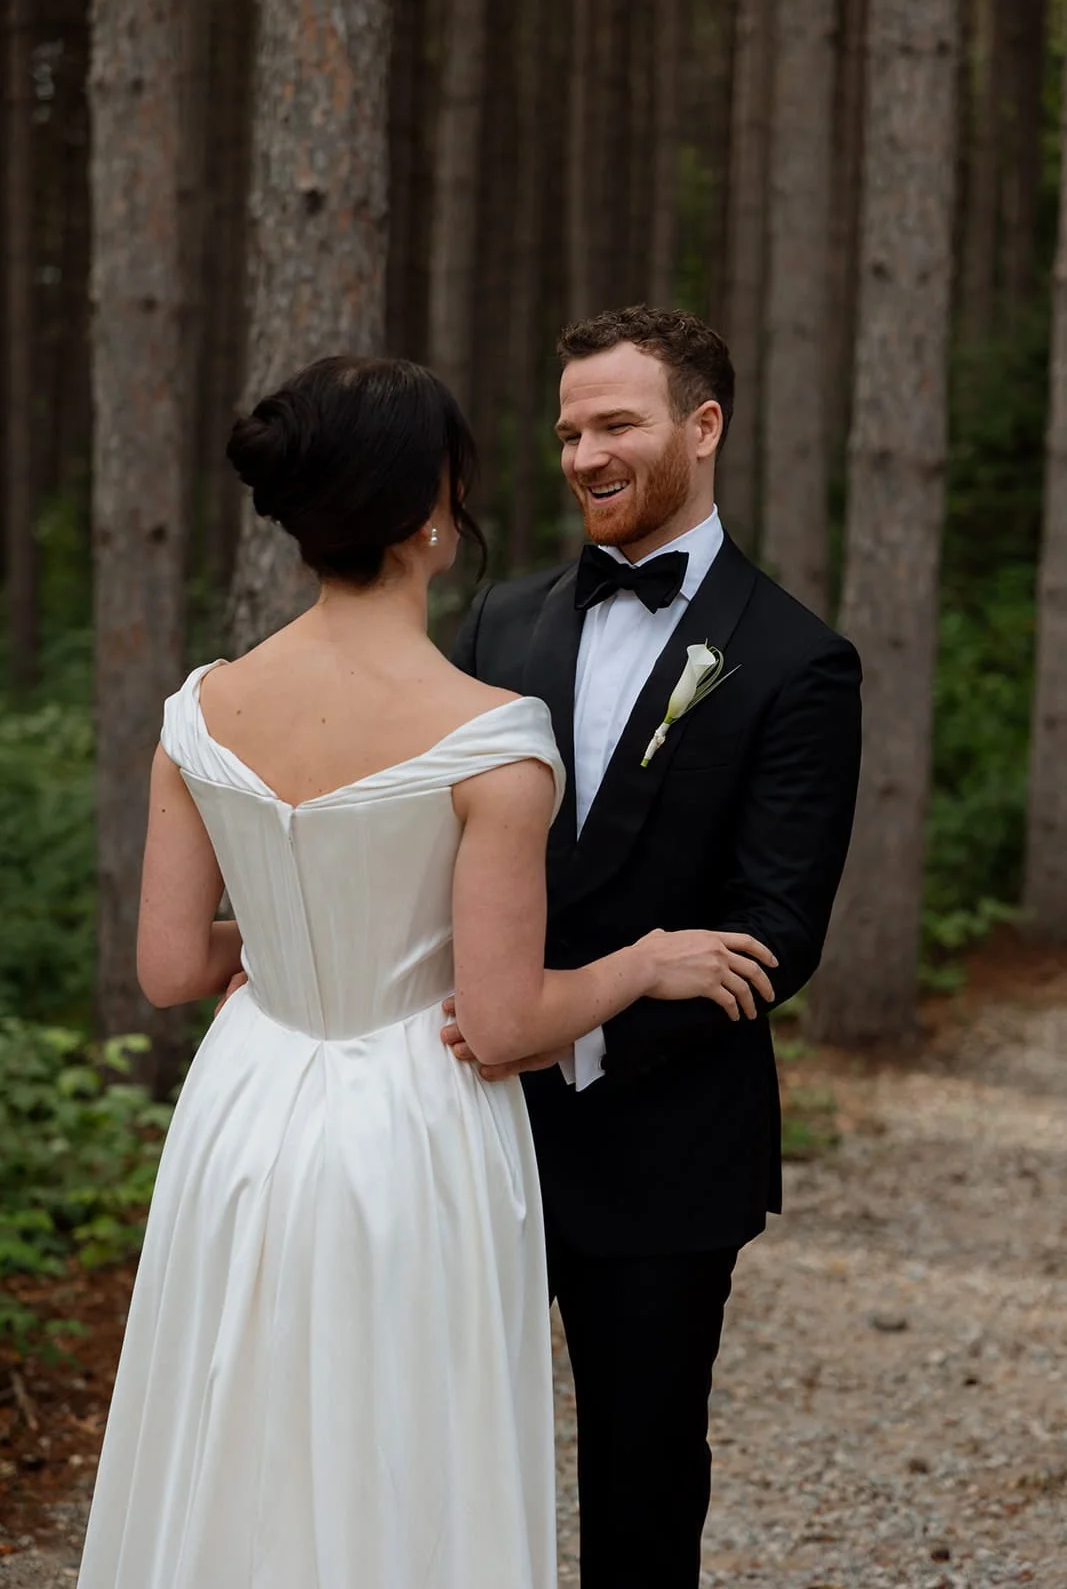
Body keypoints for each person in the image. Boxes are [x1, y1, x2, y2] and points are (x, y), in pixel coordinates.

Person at [76, 355, 776, 1589]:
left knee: (238, 1426)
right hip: (410, 1123)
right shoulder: (493, 739)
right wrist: (642, 960)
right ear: (432, 510)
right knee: (400, 1446)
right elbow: (502, 1023)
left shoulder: (197, 712)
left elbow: (173, 965)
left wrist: (303, 945)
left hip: (243, 1112)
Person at [447, 305, 863, 1589]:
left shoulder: (797, 661)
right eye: (568, 429)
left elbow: (773, 934)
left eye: (614, 423)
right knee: (450, 1461)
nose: (581, 453)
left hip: (663, 1147)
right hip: (467, 1129)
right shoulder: (497, 623)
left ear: (701, 425)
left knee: (638, 1489)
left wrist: (561, 1027)